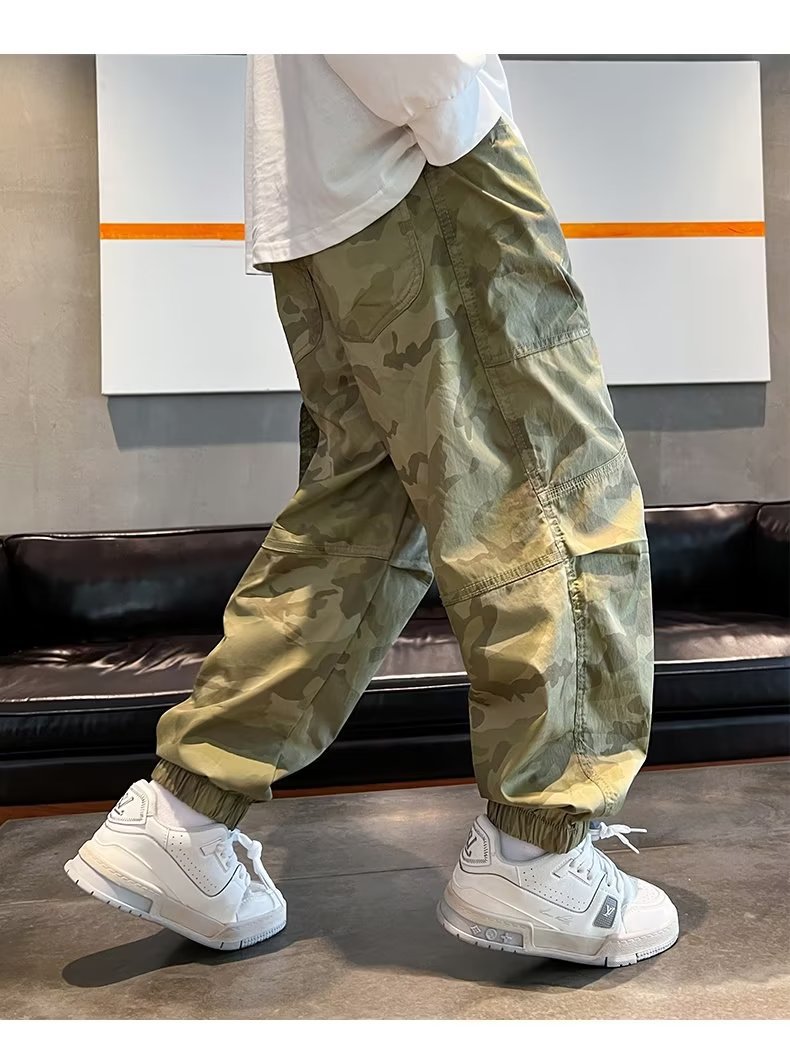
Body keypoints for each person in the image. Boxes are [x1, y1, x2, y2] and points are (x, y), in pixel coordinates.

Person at [65, 54, 678, 966]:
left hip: (323, 196)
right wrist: (457, 106)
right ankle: (538, 850)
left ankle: (183, 817)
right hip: (416, 159)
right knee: (551, 485)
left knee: (362, 516)